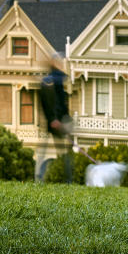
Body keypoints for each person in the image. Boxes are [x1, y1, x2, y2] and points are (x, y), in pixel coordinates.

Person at [39, 54, 73, 183]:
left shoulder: (54, 79)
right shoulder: (53, 81)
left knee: (62, 152)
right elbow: (53, 102)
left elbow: (59, 102)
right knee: (59, 152)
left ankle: (67, 179)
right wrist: (54, 119)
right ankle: (66, 179)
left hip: (58, 121)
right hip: (56, 122)